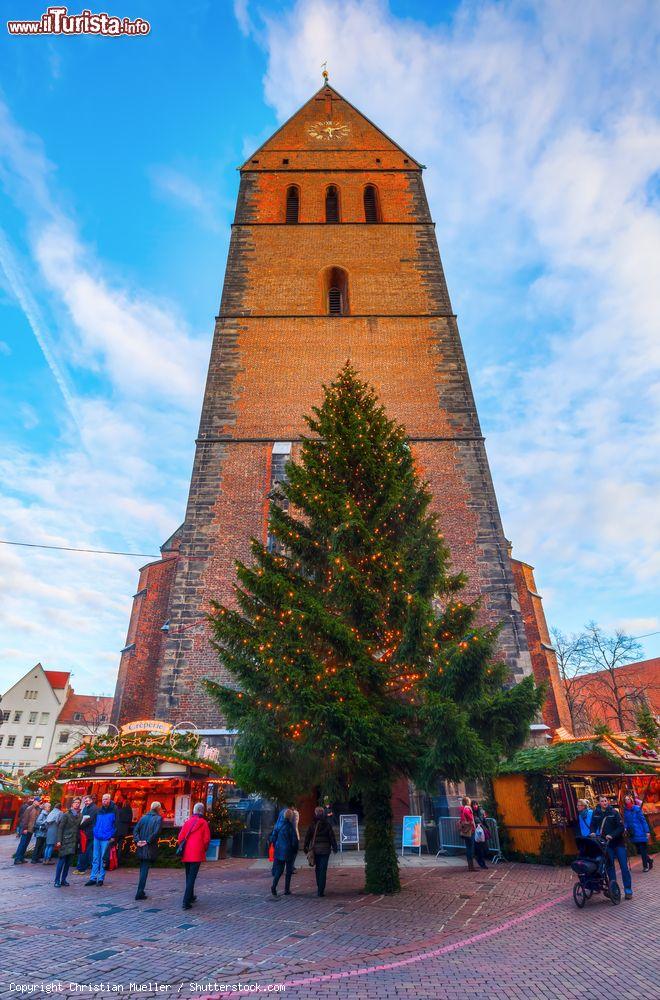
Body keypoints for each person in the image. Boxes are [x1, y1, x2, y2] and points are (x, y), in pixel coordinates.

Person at [590, 794, 632, 900]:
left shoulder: (614, 812)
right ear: (599, 803)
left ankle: (628, 890)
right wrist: (592, 832)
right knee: (610, 868)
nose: (605, 802)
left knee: (624, 867)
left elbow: (621, 827)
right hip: (606, 845)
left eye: (606, 801)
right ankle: (614, 890)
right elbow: (593, 824)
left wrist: (612, 835)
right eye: (602, 801)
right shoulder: (596, 813)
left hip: (618, 843)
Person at [177, 802, 211, 910]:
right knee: (192, 877)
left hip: (187, 853)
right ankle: (186, 901)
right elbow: (206, 839)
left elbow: (180, 837)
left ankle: (190, 896)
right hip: (197, 853)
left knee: (188, 876)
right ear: (202, 811)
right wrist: (204, 849)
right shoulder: (204, 823)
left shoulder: (188, 822)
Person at [303, 806, 338, 897]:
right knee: (323, 869)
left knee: (318, 869)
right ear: (323, 813)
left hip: (316, 850)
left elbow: (307, 837)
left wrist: (305, 847)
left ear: (315, 813)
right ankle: (321, 890)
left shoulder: (312, 825)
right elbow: (332, 837)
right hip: (325, 850)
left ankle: (319, 886)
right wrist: (334, 847)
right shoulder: (327, 824)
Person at [133, 801, 163, 900]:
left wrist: (138, 841)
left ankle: (140, 891)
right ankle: (140, 891)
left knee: (143, 868)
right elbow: (156, 833)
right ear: (158, 808)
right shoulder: (158, 819)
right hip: (149, 847)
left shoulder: (143, 817)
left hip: (141, 846)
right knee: (144, 870)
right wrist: (147, 841)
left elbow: (136, 830)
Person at [86, 793, 117, 886]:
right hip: (97, 836)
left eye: (106, 799)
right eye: (103, 799)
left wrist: (113, 836)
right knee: (95, 858)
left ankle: (100, 878)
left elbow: (116, 824)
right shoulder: (99, 810)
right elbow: (94, 822)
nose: (104, 801)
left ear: (110, 800)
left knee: (103, 859)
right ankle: (93, 877)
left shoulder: (114, 810)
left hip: (106, 837)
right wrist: (95, 831)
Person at [270, 807, 299, 897]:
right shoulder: (290, 827)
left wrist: (276, 845)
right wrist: (295, 849)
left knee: (279, 870)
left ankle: (274, 886)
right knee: (289, 871)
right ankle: (287, 889)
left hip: (279, 850)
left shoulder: (278, 825)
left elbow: (273, 838)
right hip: (289, 851)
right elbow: (294, 841)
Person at [54, 798, 82, 887]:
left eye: (79, 803)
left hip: (73, 841)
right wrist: (58, 840)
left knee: (68, 863)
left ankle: (63, 880)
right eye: (75, 802)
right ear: (72, 804)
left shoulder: (80, 815)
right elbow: (60, 828)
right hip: (65, 840)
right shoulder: (66, 814)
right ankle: (57, 880)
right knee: (61, 861)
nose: (77, 804)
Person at [624, 794, 653, 872]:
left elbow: (643, 820)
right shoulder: (626, 810)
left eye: (628, 799)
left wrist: (647, 831)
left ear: (631, 800)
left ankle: (645, 866)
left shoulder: (636, 809)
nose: (627, 801)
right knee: (639, 850)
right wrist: (625, 827)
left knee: (642, 849)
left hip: (640, 831)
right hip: (633, 833)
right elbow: (626, 821)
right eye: (625, 800)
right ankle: (649, 860)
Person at [13, 798, 42, 864]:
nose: (39, 802)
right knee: (22, 844)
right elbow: (25, 819)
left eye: (40, 801)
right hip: (27, 829)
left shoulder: (37, 809)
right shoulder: (29, 808)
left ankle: (21, 858)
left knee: (26, 844)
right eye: (38, 801)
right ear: (34, 801)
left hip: (31, 829)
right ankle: (17, 859)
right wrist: (25, 828)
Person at [76, 795, 98, 873]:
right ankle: (83, 867)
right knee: (85, 850)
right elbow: (82, 817)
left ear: (91, 800)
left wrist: (79, 825)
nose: (86, 802)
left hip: (89, 832)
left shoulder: (94, 808)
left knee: (85, 850)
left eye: (87, 800)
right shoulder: (86, 807)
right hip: (85, 832)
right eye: (85, 801)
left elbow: (89, 820)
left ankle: (82, 868)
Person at [31, 798, 51, 864]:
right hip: (40, 832)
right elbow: (38, 822)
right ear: (45, 807)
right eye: (48, 807)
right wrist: (45, 822)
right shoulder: (42, 814)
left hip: (44, 833)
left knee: (41, 846)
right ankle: (34, 859)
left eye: (50, 807)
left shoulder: (47, 814)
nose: (49, 808)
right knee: (38, 846)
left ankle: (37, 858)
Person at [459, 796, 476, 872]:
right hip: (470, 830)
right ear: (468, 802)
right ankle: (471, 866)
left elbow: (462, 819)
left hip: (465, 830)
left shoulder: (462, 809)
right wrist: (472, 824)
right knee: (470, 848)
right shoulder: (467, 809)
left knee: (468, 847)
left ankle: (470, 865)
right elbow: (470, 819)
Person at [471, 800, 489, 870]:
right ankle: (482, 863)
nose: (475, 806)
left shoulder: (481, 811)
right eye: (473, 805)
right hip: (476, 831)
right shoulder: (471, 812)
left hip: (482, 831)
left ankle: (481, 861)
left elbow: (484, 820)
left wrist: (487, 828)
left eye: (476, 804)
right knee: (479, 848)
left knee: (484, 848)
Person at [116, 799, 133, 864]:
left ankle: (113, 859)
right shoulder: (129, 811)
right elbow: (130, 820)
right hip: (124, 830)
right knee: (120, 846)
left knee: (114, 845)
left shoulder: (119, 810)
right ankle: (119, 860)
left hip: (117, 830)